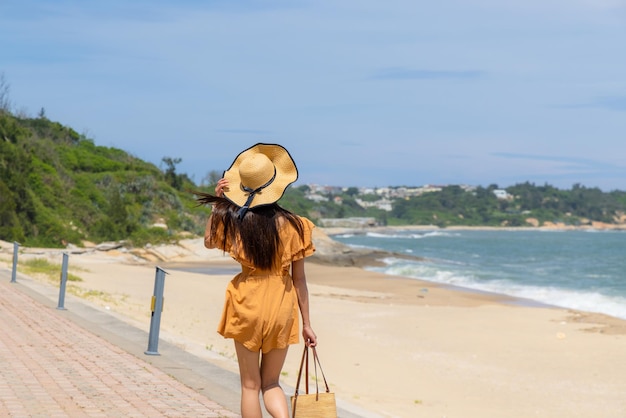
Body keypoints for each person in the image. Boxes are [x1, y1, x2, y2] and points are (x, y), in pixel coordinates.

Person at [194, 143, 317, 418]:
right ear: (276, 183)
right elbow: (300, 280)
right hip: (281, 304)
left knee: (250, 386)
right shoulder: (297, 225)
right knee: (271, 383)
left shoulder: (235, 222)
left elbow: (207, 242)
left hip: (247, 300)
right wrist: (307, 324)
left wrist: (219, 203)